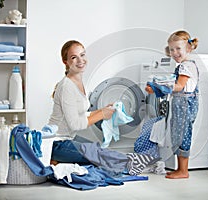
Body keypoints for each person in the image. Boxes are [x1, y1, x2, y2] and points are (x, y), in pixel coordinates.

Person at [49, 40, 159, 175]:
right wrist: (102, 115)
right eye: (74, 57)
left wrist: (102, 110)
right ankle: (134, 164)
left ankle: (60, 161)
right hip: (57, 144)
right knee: (97, 154)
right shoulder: (67, 86)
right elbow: (76, 124)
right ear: (65, 61)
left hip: (68, 140)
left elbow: (81, 114)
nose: (80, 60)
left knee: (97, 150)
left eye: (82, 55)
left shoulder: (77, 81)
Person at [145, 30, 199, 179]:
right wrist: (156, 89)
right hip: (180, 103)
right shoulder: (182, 65)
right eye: (171, 49)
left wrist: (159, 85)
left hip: (185, 104)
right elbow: (175, 88)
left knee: (182, 136)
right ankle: (180, 169)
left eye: (178, 49)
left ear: (188, 48)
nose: (174, 52)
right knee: (178, 135)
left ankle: (183, 171)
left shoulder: (186, 66)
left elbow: (179, 86)